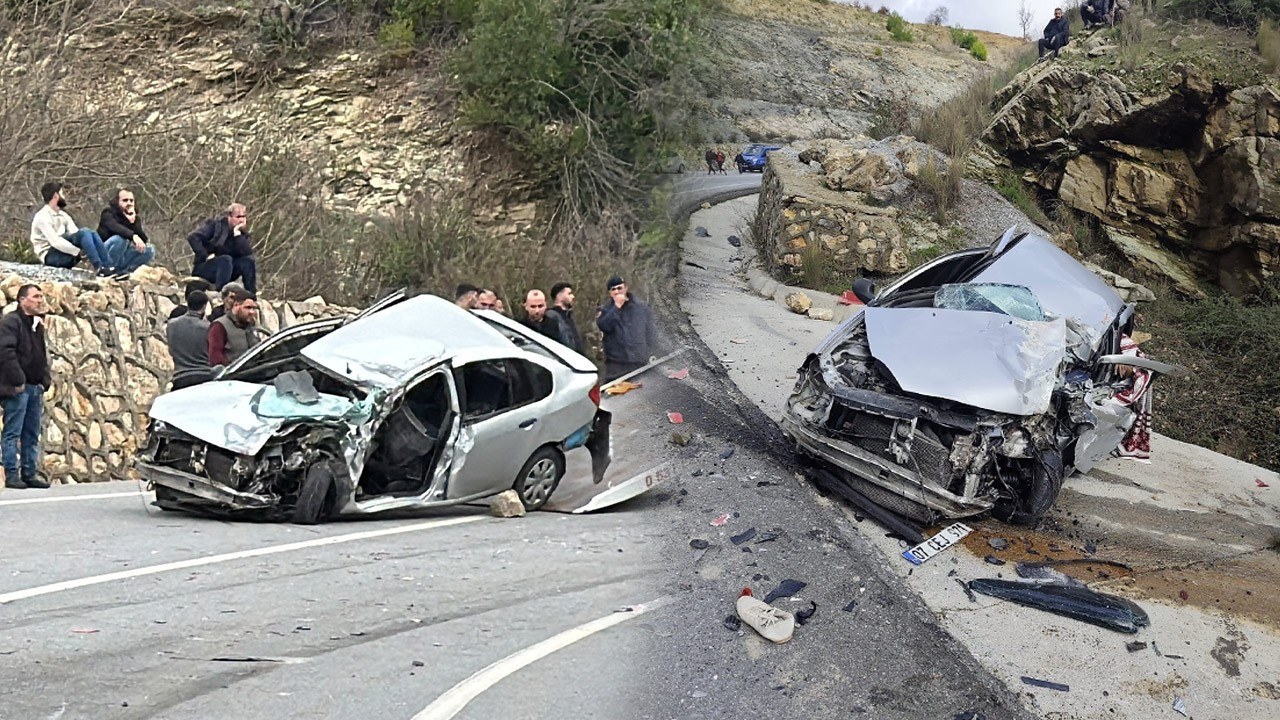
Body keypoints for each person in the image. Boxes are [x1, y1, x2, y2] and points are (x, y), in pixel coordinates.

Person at [0, 285, 52, 489]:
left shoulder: (36, 325)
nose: (40, 300)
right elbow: (5, 352)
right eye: (35, 296)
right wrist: (18, 380)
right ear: (23, 300)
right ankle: (12, 474)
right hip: (17, 389)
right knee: (13, 432)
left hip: (34, 387)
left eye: (41, 296)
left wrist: (43, 381)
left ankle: (29, 472)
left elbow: (41, 354)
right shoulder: (11, 322)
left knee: (31, 432)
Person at [30, 182, 119, 278]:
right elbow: (55, 242)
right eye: (62, 194)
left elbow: (76, 234)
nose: (64, 197)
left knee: (90, 232)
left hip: (66, 253)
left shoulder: (63, 215)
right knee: (85, 232)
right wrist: (78, 252)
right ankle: (98, 267)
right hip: (50, 256)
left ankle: (109, 266)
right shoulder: (42, 217)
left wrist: (85, 247)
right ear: (56, 196)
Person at [595, 275, 659, 382]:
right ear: (610, 293)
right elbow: (604, 326)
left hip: (639, 361)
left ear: (625, 288)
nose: (617, 292)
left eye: (619, 288)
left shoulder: (640, 307)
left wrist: (653, 352)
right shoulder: (605, 310)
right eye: (613, 289)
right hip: (617, 365)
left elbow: (650, 332)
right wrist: (616, 307)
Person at [187, 203, 257, 293]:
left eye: (244, 217)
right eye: (238, 217)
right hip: (206, 268)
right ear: (230, 216)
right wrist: (205, 255)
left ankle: (251, 295)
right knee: (225, 259)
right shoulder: (215, 226)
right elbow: (193, 237)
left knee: (248, 261)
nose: (241, 220)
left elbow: (247, 253)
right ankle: (220, 294)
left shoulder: (241, 234)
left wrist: (237, 235)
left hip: (228, 270)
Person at [97, 187, 157, 275]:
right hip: (104, 253)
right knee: (120, 239)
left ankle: (123, 272)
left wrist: (134, 222)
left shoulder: (134, 218)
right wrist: (133, 236)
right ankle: (106, 270)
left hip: (122, 255)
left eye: (131, 201)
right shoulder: (108, 213)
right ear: (117, 201)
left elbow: (143, 240)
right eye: (125, 200)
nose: (129, 203)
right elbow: (115, 227)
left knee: (149, 249)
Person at [166, 290, 215, 390]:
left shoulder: (171, 325)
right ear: (204, 306)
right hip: (204, 377)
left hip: (180, 378)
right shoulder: (208, 327)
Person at [207, 286, 260, 367]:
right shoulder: (219, 326)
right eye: (248, 308)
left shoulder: (252, 325)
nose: (252, 312)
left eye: (254, 308)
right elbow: (216, 358)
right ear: (236, 305)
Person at [547, 282, 584, 354]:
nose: (572, 296)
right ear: (559, 296)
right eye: (569, 294)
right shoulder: (551, 316)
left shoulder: (569, 316)